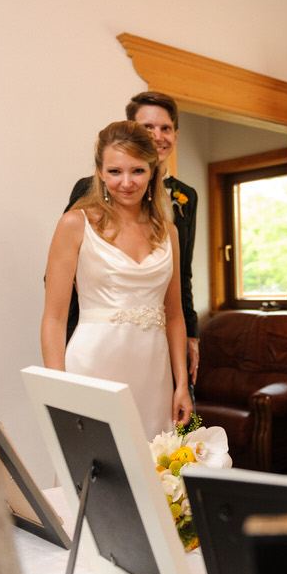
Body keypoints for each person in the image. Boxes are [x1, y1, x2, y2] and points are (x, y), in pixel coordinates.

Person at [42, 120, 193, 439]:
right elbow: (54, 319)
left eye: (137, 171)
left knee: (156, 474)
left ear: (153, 171)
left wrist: (182, 384)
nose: (126, 182)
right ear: (99, 172)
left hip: (155, 375)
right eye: (115, 171)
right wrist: (59, 392)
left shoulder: (170, 233)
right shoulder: (75, 224)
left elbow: (175, 316)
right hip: (93, 367)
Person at [65, 91, 200, 380]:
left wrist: (191, 333)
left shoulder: (185, 197)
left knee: (175, 421)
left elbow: (181, 275)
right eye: (147, 127)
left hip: (157, 350)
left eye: (165, 128)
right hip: (97, 342)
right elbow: (65, 278)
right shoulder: (86, 198)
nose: (157, 136)